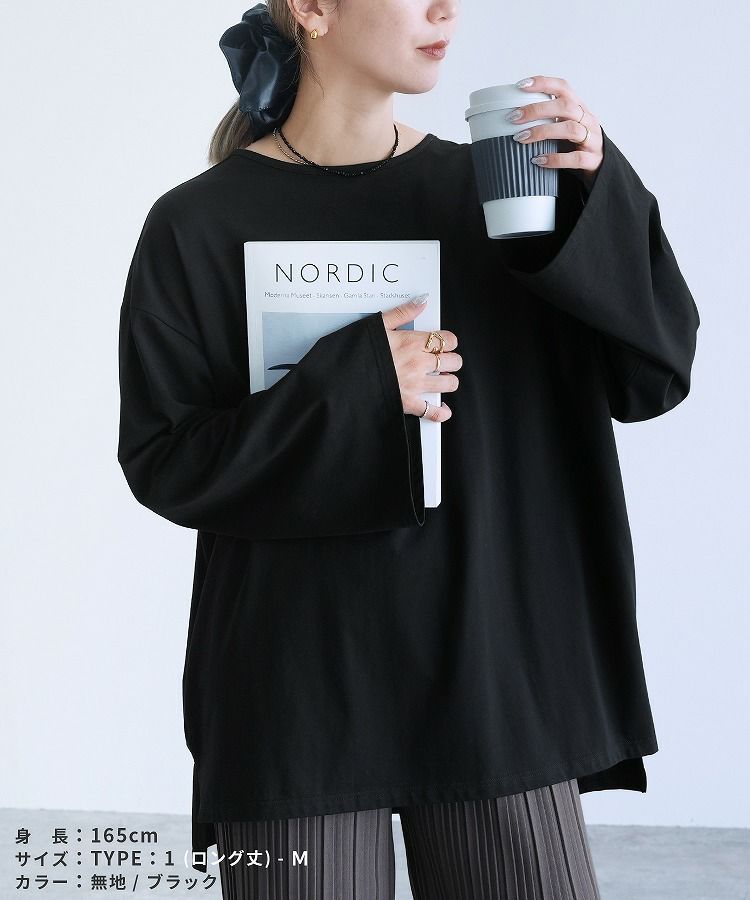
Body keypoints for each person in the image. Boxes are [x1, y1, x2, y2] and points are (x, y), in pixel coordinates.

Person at [116, 1, 700, 898]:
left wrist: (596, 191)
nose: (445, 9)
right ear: (313, 8)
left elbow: (651, 374)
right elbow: (166, 459)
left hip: (493, 673)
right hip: (294, 692)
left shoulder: (501, 198)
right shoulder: (197, 222)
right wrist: (356, 383)